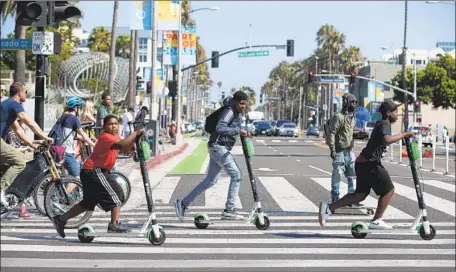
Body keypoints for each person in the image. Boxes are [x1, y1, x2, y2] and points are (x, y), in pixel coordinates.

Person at [318, 99, 415, 230]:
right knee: (388, 190)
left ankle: (328, 208)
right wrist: (404, 134)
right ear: (388, 113)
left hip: (363, 163)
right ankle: (376, 220)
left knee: (360, 195)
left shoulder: (382, 123)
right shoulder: (384, 124)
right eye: (395, 112)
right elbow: (387, 140)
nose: (397, 114)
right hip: (370, 163)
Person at [51, 115, 144, 237]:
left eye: (116, 123)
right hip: (95, 171)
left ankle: (61, 219)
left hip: (90, 172)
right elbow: (122, 144)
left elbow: (124, 147)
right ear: (104, 126)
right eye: (110, 124)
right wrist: (136, 133)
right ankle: (114, 224)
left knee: (87, 204)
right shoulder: (105, 137)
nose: (114, 126)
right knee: (118, 194)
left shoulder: (115, 136)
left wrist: (133, 148)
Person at [174, 91, 249, 221]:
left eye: (245, 104)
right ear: (236, 102)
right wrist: (237, 131)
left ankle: (183, 203)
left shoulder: (235, 112)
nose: (243, 106)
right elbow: (220, 128)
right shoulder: (229, 111)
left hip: (217, 147)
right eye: (241, 104)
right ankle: (229, 210)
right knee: (237, 175)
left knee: (210, 180)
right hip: (218, 147)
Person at [0, 82, 53, 206]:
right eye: (25, 92)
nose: (26, 94)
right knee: (19, 161)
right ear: (20, 93)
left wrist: (30, 144)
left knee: (7, 166)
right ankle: (1, 189)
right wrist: (45, 136)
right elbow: (30, 123)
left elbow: (18, 130)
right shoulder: (14, 104)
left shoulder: (7, 105)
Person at [327, 93, 361, 205]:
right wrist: (332, 149)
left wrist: (359, 134)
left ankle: (351, 198)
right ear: (346, 103)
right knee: (337, 174)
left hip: (350, 151)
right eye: (352, 102)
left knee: (352, 175)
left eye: (356, 102)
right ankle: (335, 198)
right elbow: (332, 133)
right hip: (339, 151)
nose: (354, 104)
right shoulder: (338, 117)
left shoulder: (352, 117)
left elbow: (349, 133)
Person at [56, 97, 96, 178]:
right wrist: (94, 145)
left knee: (65, 177)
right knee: (76, 176)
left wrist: (82, 139)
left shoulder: (63, 117)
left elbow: (69, 134)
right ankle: (64, 191)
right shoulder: (73, 119)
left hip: (58, 150)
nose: (80, 110)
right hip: (66, 152)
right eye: (80, 108)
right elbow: (84, 135)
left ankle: (63, 190)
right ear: (75, 108)